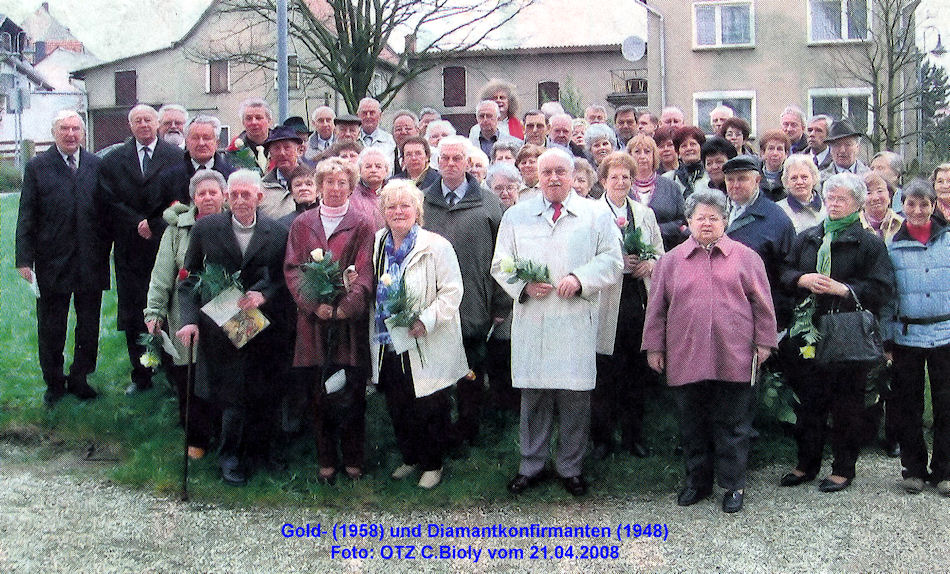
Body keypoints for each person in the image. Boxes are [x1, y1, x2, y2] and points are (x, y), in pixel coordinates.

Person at [491, 148, 623, 497]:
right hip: (534, 318)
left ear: (572, 174)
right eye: (546, 171)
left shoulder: (595, 215)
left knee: (574, 396)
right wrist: (523, 285)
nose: (553, 178)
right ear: (536, 174)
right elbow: (500, 263)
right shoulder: (517, 216)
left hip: (574, 318)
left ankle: (570, 467)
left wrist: (581, 278)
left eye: (560, 172)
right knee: (534, 395)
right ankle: (530, 465)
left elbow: (613, 259)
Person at [642, 189, 777, 513]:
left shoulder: (746, 258)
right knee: (692, 423)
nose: (706, 223)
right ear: (688, 222)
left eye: (713, 217)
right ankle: (697, 483)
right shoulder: (670, 262)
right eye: (700, 217)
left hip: (734, 354)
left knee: (732, 424)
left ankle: (733, 485)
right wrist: (654, 347)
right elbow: (657, 309)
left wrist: (764, 342)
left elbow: (763, 305)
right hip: (686, 355)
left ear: (725, 221)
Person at [779, 173, 895, 493]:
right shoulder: (809, 237)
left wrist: (844, 289)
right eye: (830, 198)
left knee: (846, 404)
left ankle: (844, 467)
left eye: (842, 199)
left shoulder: (869, 243)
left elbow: (882, 289)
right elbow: (785, 272)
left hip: (847, 332)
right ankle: (806, 464)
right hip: (809, 330)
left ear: (857, 204)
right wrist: (802, 280)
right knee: (809, 403)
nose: (834, 204)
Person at [176, 170, 291, 486]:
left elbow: (284, 279)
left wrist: (263, 294)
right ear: (227, 198)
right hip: (220, 325)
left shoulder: (278, 233)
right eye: (235, 194)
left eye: (246, 194)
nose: (240, 200)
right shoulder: (206, 229)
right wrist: (188, 320)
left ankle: (262, 454)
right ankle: (230, 458)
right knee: (232, 396)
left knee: (263, 392)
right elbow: (188, 280)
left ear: (259, 197)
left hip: (263, 328)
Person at [372, 179, 469, 489]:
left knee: (429, 404)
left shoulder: (436, 245)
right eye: (392, 206)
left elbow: (453, 292)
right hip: (388, 339)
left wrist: (425, 320)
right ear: (383, 211)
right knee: (397, 402)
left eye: (405, 205)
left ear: (417, 210)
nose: (399, 211)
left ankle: (433, 463)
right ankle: (410, 456)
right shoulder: (377, 242)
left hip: (426, 337)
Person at [284, 157, 375, 483]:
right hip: (313, 324)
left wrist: (346, 307)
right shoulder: (302, 223)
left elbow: (366, 272)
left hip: (348, 324)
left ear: (351, 187)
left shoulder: (363, 223)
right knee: (317, 394)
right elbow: (293, 270)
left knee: (350, 394)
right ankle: (325, 460)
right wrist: (312, 305)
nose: (335, 189)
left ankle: (353, 459)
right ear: (319, 187)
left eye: (342, 183)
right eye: (329, 183)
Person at [16, 110, 109, 406]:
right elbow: (27, 214)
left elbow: (107, 211)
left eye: (75, 129)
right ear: (55, 132)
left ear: (83, 133)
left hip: (91, 259)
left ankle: (81, 377)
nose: (71, 134)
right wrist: (24, 259)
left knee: (89, 324)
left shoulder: (97, 165)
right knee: (52, 325)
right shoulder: (37, 167)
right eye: (64, 129)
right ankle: (54, 383)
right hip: (52, 260)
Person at [423, 135, 506, 447]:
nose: (450, 164)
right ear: (437, 162)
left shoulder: (489, 203)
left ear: (468, 162)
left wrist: (500, 303)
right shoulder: (422, 201)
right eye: (444, 159)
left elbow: (503, 257)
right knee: (437, 377)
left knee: (470, 375)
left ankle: (469, 433)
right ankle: (440, 435)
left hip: (475, 303)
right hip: (431, 305)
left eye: (457, 159)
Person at [98, 103, 183, 396]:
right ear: (130, 126)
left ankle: (174, 372)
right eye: (138, 121)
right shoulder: (114, 159)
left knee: (169, 307)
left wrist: (155, 223)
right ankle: (142, 374)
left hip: (164, 242)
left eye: (148, 119)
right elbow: (108, 200)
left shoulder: (175, 156)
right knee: (134, 311)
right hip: (130, 246)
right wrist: (137, 223)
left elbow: (180, 198)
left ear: (157, 122)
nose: (144, 125)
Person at [144, 170, 227, 458]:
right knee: (189, 378)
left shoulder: (233, 223)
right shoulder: (177, 230)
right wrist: (154, 311)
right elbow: (162, 275)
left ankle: (226, 437)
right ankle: (197, 440)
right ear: (193, 198)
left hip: (226, 311)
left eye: (213, 192)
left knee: (225, 374)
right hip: (185, 312)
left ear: (223, 196)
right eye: (202, 193)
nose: (207, 198)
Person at [593, 151, 664, 460]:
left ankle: (634, 436)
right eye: (614, 176)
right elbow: (585, 256)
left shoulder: (644, 213)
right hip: (606, 300)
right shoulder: (592, 213)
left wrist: (649, 262)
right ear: (603, 180)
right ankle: (602, 439)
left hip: (637, 298)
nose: (620, 182)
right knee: (605, 373)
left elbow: (661, 251)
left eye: (626, 177)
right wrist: (616, 263)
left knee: (637, 372)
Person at [882, 179, 950, 497]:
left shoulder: (948, 240)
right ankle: (914, 469)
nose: (918, 210)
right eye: (911, 204)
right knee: (908, 404)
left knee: (946, 404)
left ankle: (945, 470)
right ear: (902, 205)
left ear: (934, 206)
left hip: (945, 334)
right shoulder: (891, 245)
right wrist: (886, 341)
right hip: (906, 336)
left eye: (925, 204)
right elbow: (886, 297)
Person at [724, 155, 796, 326]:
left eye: (742, 179)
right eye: (730, 179)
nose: (735, 185)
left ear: (757, 180)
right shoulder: (718, 211)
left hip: (758, 313)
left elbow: (787, 272)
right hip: (723, 311)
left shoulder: (776, 219)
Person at [626, 134, 688, 250]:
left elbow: (682, 221)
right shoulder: (623, 187)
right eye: (637, 152)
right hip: (631, 258)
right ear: (630, 156)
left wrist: (655, 230)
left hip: (668, 250)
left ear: (654, 156)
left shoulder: (671, 187)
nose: (642, 156)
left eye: (647, 151)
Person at [159, 114, 235, 206]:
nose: (201, 143)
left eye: (207, 138)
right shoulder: (169, 177)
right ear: (186, 142)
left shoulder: (231, 176)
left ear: (217, 143)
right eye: (195, 138)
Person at [258, 125, 304, 219]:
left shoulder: (316, 182)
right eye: (276, 148)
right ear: (270, 154)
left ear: (299, 150)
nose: (282, 153)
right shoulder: (261, 188)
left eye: (287, 147)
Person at [777, 155, 826, 233]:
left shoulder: (827, 207)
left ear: (814, 179)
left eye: (804, 177)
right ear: (786, 182)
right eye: (794, 178)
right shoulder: (778, 211)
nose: (799, 182)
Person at [226, 98, 272, 173]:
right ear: (243, 122)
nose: (254, 122)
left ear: (269, 121)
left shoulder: (280, 147)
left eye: (258, 118)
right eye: (249, 118)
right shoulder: (233, 152)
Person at [349, 146, 391, 229]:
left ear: (386, 171)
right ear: (360, 170)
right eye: (368, 167)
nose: (373, 170)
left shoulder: (394, 192)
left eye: (378, 166)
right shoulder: (351, 195)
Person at [663, 125, 706, 199]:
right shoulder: (667, 180)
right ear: (678, 152)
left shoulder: (710, 177)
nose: (689, 148)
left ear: (701, 148)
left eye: (693, 144)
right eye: (684, 146)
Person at [861, 172, 903, 244]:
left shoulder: (902, 224)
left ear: (889, 195)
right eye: (868, 193)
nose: (875, 198)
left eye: (880, 191)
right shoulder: (853, 226)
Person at [758, 129, 791, 202]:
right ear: (762, 153)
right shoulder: (754, 177)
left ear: (786, 154)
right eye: (771, 148)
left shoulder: (791, 177)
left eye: (779, 149)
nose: (775, 153)